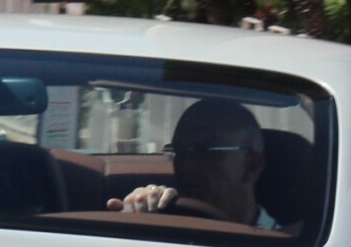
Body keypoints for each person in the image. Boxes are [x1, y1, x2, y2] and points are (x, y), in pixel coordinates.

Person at [109, 98, 282, 230]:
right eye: (180, 151)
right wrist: (139, 214)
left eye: (205, 151)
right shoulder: (165, 227)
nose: (186, 165)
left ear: (251, 166)